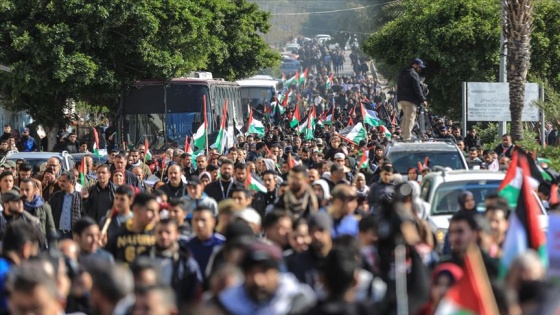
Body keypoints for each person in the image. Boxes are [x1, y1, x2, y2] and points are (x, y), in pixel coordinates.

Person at [215, 241, 316, 314]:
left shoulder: (300, 302)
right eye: (251, 273)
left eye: (264, 272)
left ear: (277, 273)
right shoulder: (226, 304)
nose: (258, 281)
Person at [148, 219, 202, 308]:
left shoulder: (186, 262)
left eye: (168, 232)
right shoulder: (144, 258)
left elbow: (195, 293)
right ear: (154, 234)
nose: (164, 236)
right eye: (160, 232)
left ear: (177, 235)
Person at [105, 193, 158, 264]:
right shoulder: (118, 234)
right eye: (151, 210)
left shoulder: (158, 235)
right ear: (136, 210)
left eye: (157, 211)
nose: (155, 215)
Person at [286, 212, 334, 290]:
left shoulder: (338, 258)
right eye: (312, 231)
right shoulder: (299, 262)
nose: (316, 235)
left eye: (321, 230)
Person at [186, 206, 225, 283]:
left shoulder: (222, 244)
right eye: (196, 220)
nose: (199, 224)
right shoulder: (187, 246)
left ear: (213, 222)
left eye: (203, 220)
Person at [397, 58, 428, 141]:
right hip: (410, 100)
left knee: (405, 117)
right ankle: (407, 137)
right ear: (414, 65)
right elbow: (417, 88)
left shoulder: (402, 73)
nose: (420, 68)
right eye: (419, 66)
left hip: (402, 99)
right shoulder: (413, 74)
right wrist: (423, 100)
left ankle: (403, 133)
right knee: (410, 118)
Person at [49, 171, 84, 239]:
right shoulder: (55, 196)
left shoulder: (79, 197)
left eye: (64, 181)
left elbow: (83, 215)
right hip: (58, 233)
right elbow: (50, 213)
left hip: (73, 234)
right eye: (60, 181)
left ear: (71, 182)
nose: (61, 183)